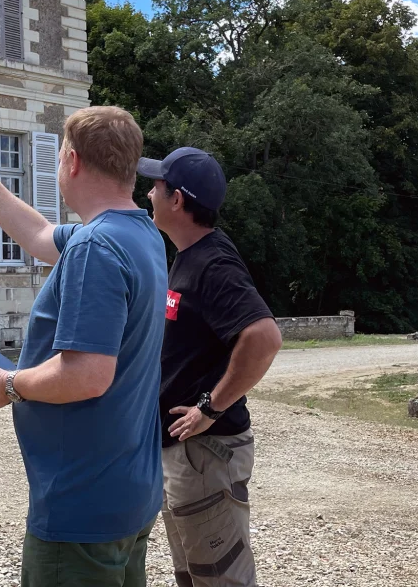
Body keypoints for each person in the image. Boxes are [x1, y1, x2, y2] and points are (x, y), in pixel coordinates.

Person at [0, 106, 168, 587]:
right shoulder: (139, 233)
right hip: (127, 493)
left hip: (81, 504)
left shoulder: (95, 248)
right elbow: (41, 236)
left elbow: (87, 374)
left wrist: (7, 385)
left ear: (72, 161)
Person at [139, 147, 282, 587]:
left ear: (177, 199)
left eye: (156, 186)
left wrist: (211, 407)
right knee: (197, 576)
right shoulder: (191, 255)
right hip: (190, 456)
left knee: (222, 580)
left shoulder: (212, 264)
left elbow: (263, 337)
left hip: (207, 454)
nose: (148, 193)